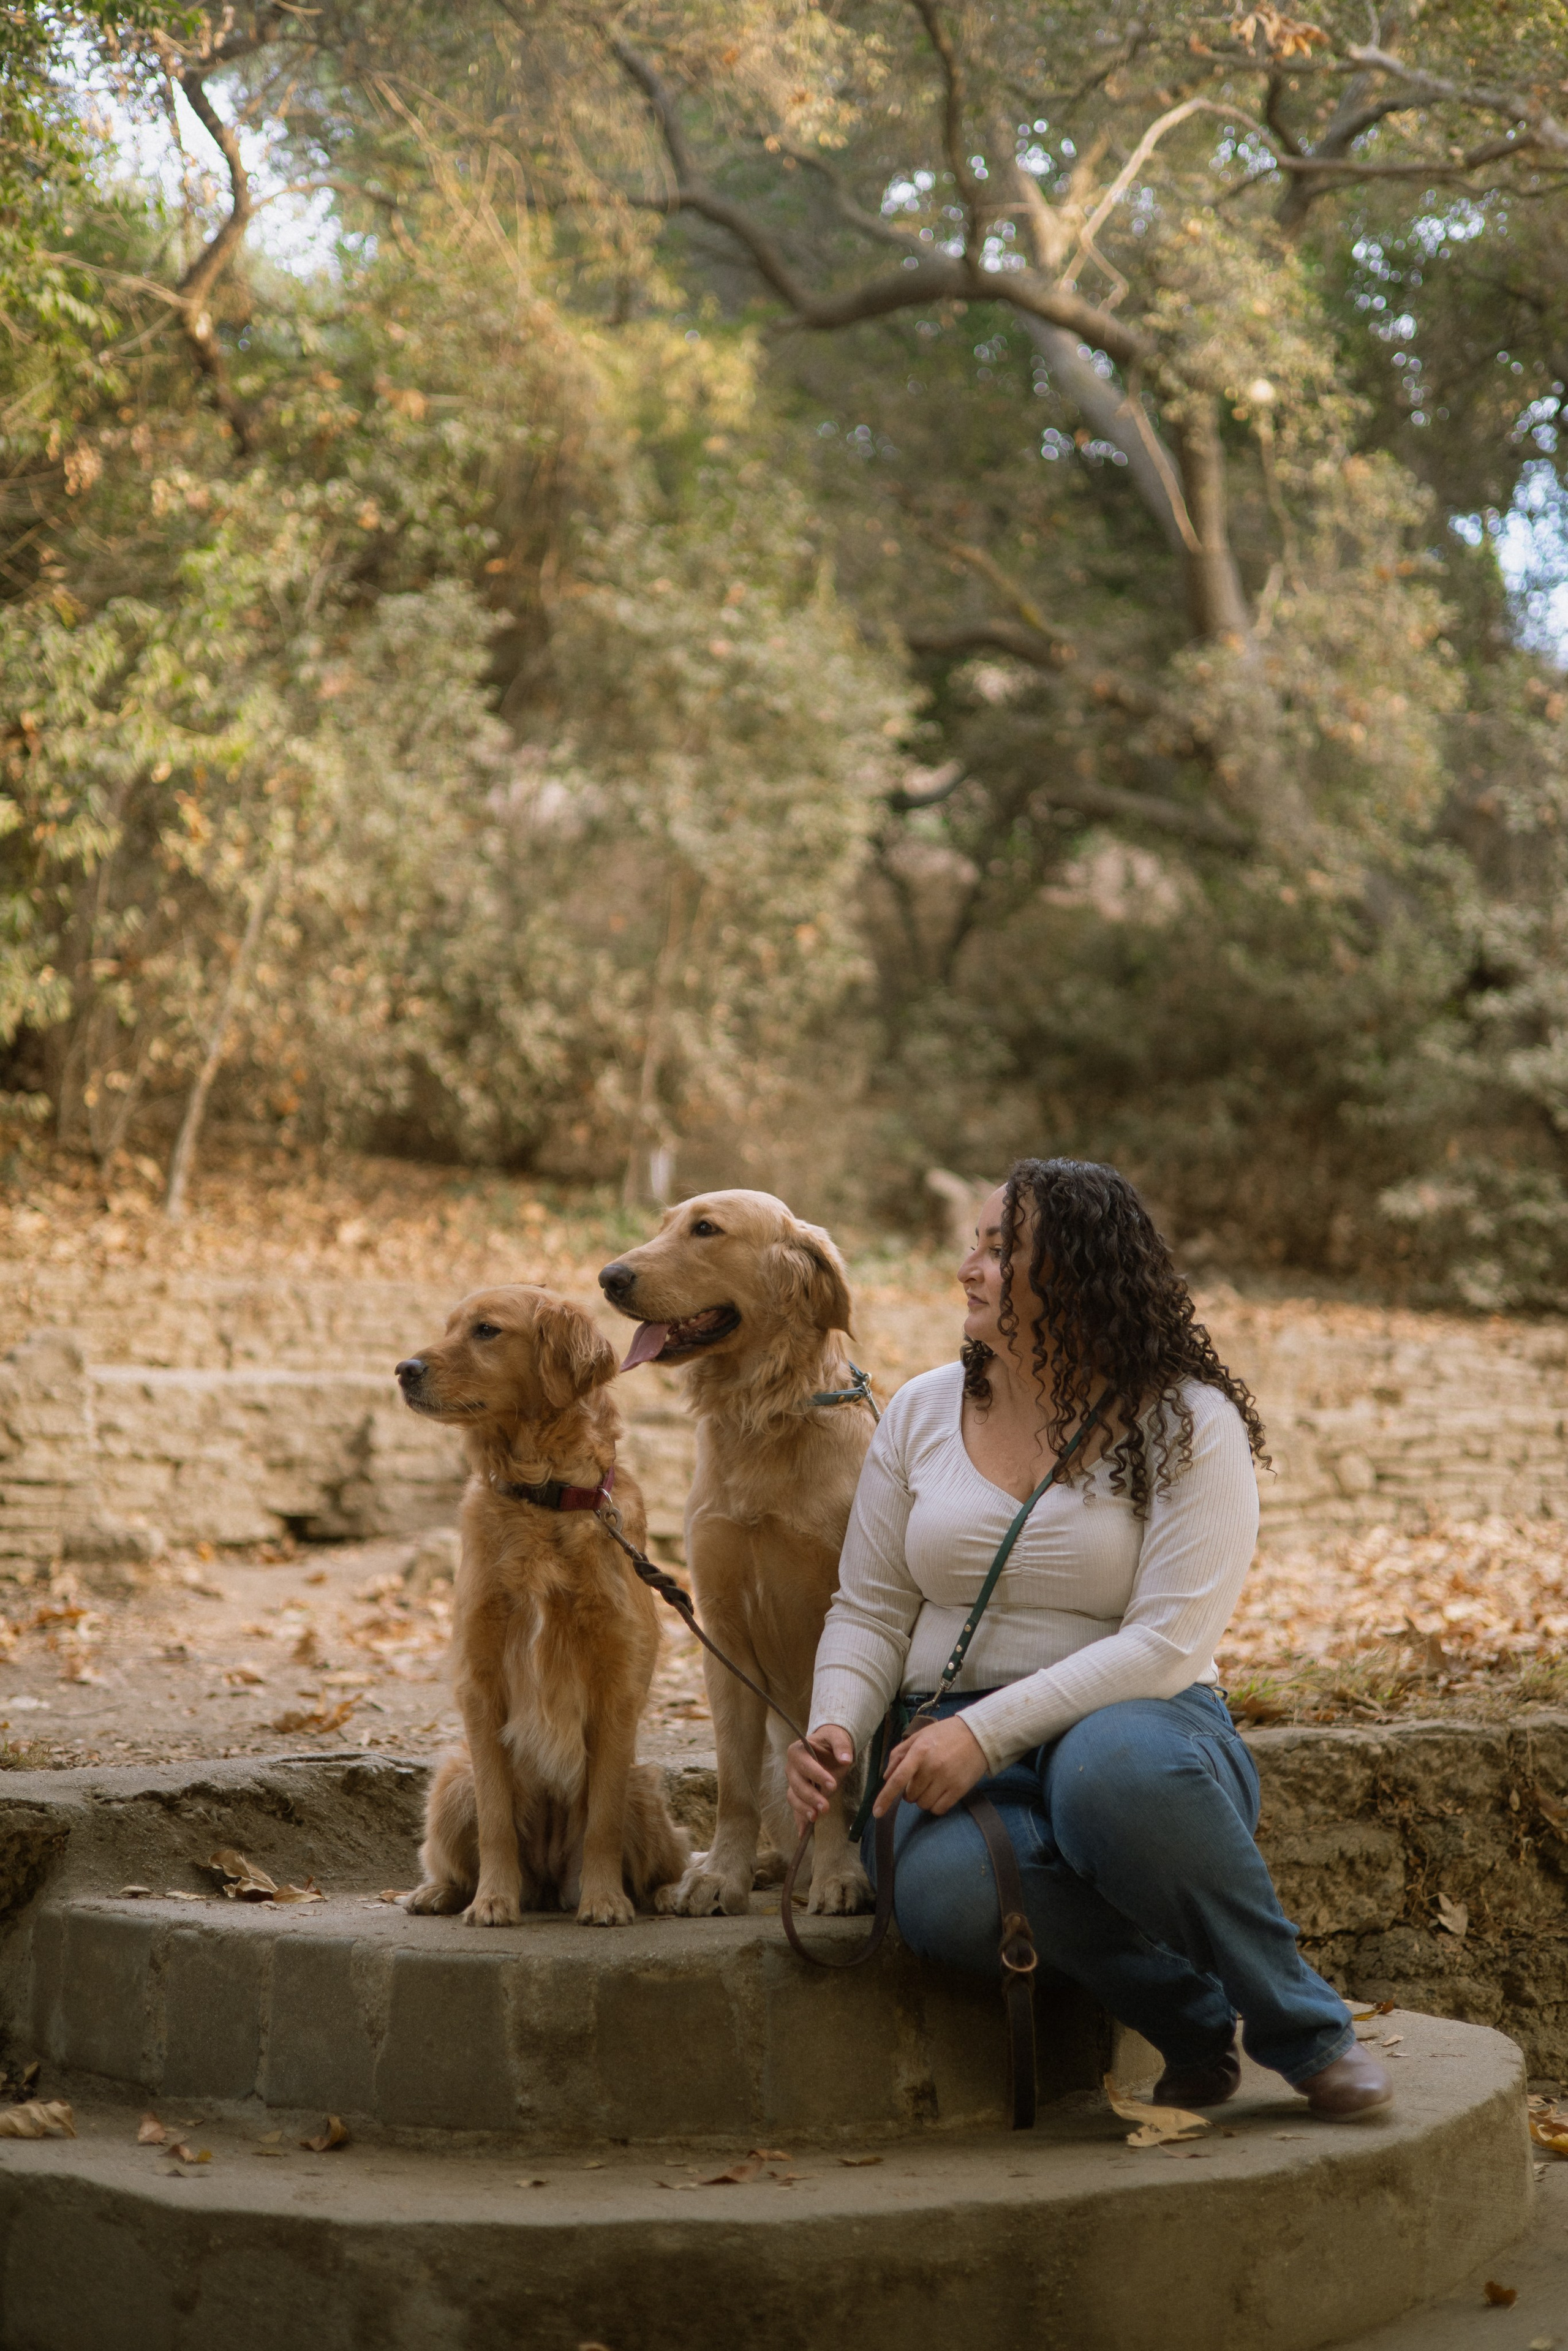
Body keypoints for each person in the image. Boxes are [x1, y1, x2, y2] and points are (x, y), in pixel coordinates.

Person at [785, 1157, 1390, 2119]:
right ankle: (1191, 2018)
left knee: (1113, 1779)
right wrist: (839, 1729)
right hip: (943, 1730)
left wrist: (988, 1735)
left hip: (1139, 1721)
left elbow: (1165, 1643)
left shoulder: (1189, 1421)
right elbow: (868, 1607)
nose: (967, 1267)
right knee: (943, 1897)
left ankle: (1307, 2031)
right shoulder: (920, 1411)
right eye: (973, 1245)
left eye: (997, 1248)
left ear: (1071, 1272)